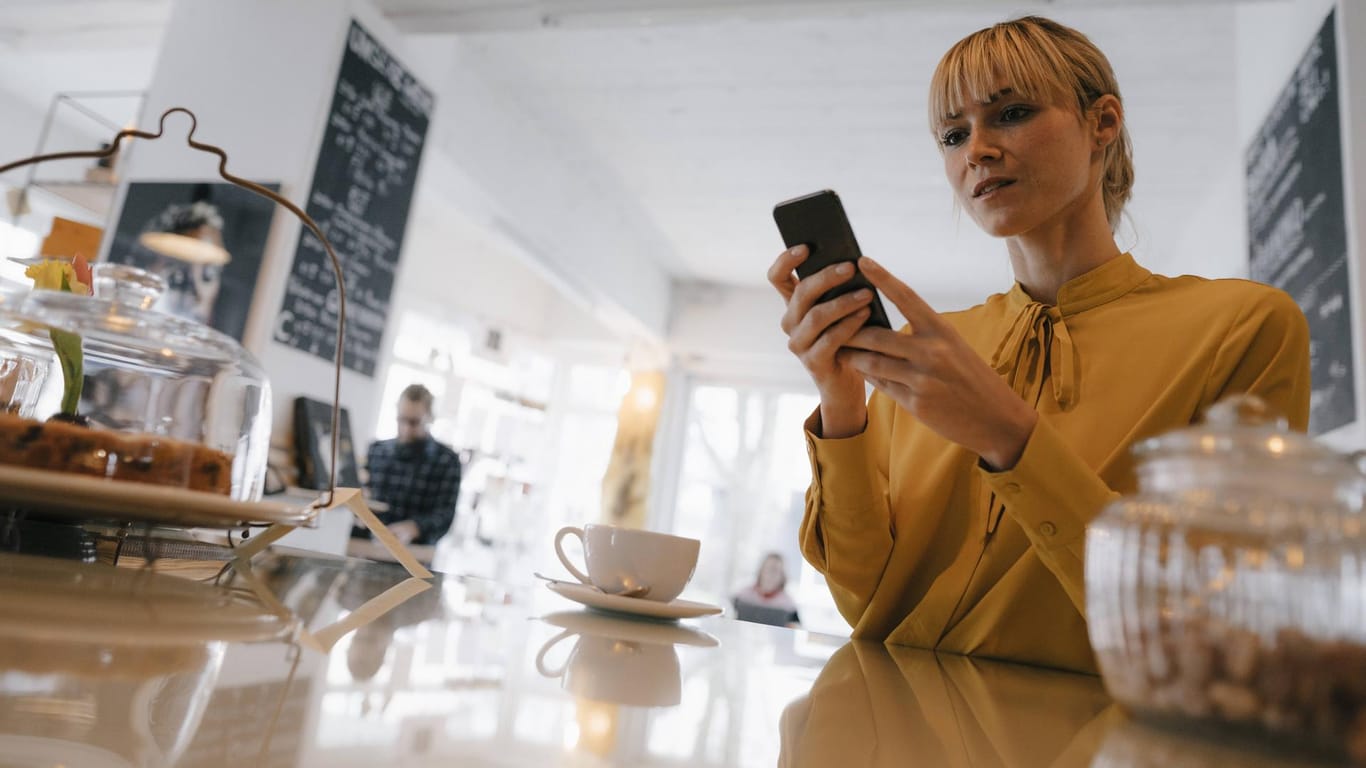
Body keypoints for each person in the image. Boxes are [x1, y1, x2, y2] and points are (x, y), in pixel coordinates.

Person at [767, 16, 1310, 673]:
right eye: (953, 134)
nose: (978, 151)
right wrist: (842, 400)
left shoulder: (1242, 327)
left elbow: (1216, 631)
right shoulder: (929, 351)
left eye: (1012, 112)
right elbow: (868, 603)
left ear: (1102, 122)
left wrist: (1011, 439)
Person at [355, 384, 462, 546]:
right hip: (367, 547)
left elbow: (444, 515)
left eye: (414, 422)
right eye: (401, 420)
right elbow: (365, 493)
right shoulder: (377, 450)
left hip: (414, 555)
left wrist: (414, 528)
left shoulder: (447, 461)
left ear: (429, 418)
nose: (405, 429)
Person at [732, 552, 801, 627]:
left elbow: (795, 629)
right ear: (761, 570)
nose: (770, 575)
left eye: (775, 570)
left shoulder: (788, 605)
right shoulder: (743, 595)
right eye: (768, 569)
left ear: (782, 576)